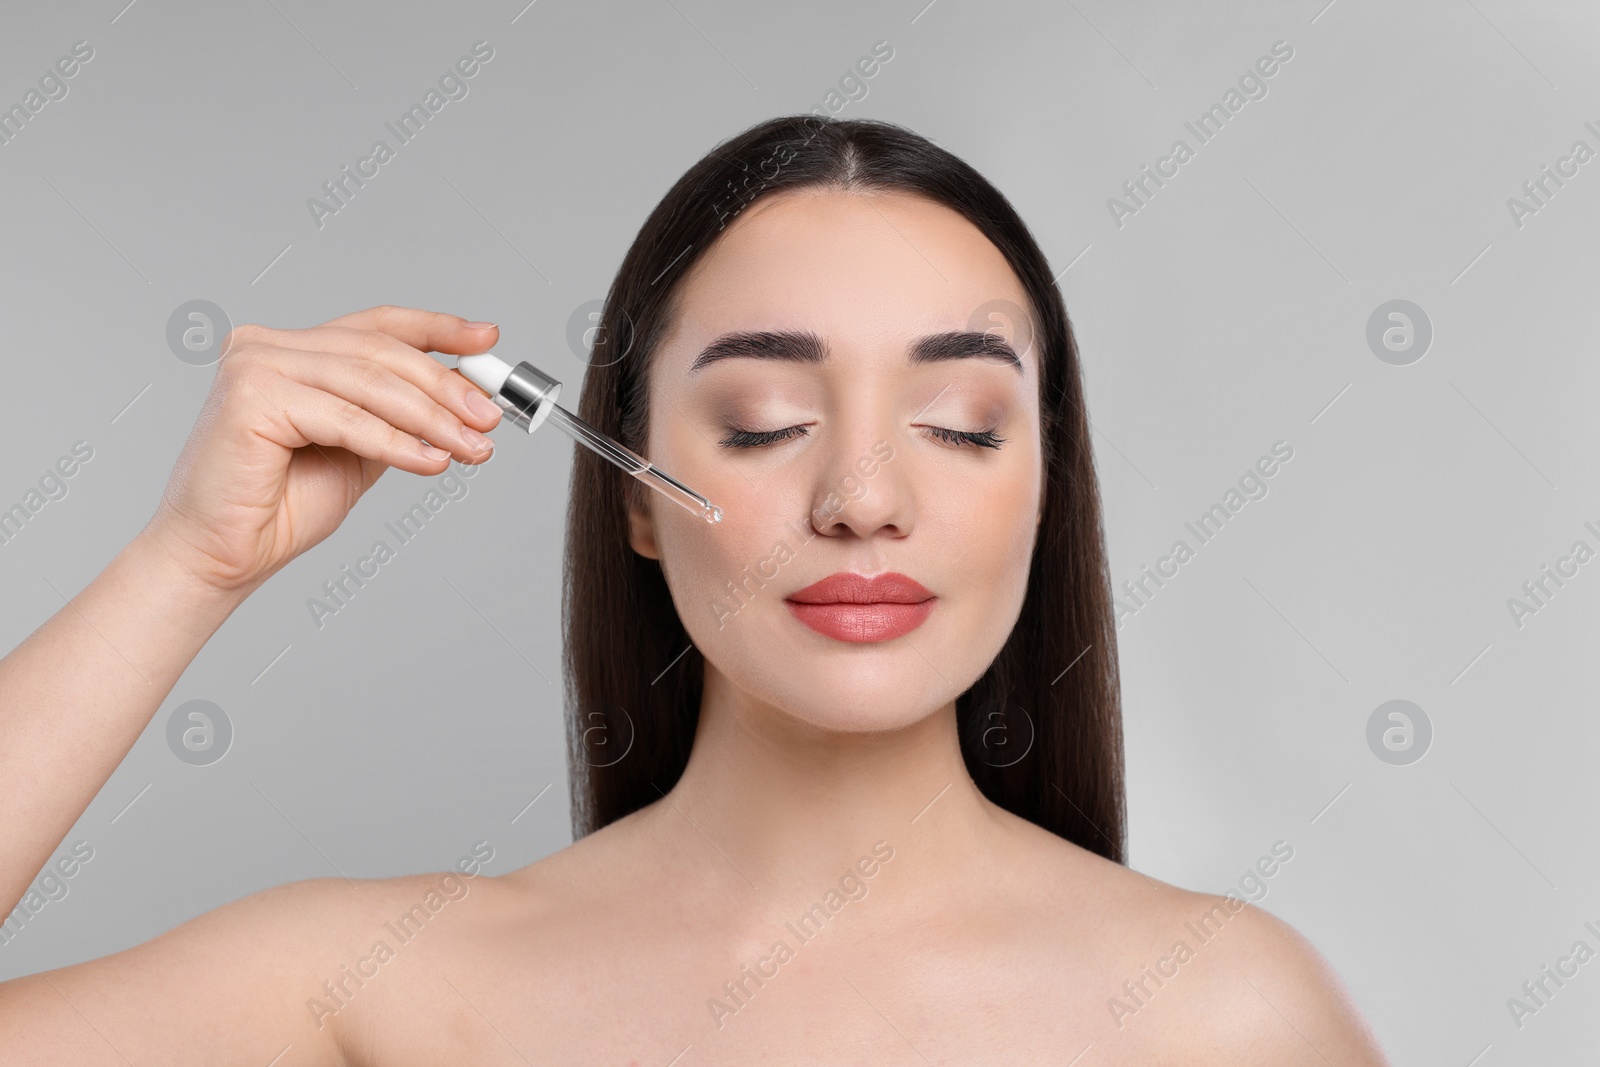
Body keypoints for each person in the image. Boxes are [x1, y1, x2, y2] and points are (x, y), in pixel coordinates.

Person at [0, 114, 1389, 1062]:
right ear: (632, 495)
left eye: (962, 423)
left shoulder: (1222, 1016)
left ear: (1045, 484)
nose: (861, 499)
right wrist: (182, 567)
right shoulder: (389, 985)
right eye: (766, 420)